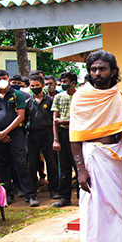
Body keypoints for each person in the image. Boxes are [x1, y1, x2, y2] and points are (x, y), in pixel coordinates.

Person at [69, 50, 122, 242]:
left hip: (115, 157)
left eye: (102, 68)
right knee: (94, 212)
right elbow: (74, 136)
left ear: (113, 71)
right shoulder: (81, 97)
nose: (97, 73)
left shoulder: (118, 97)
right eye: (93, 69)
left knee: (116, 209)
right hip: (93, 157)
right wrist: (80, 169)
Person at [0, 70, 38, 206]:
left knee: (21, 163)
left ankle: (30, 194)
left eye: (4, 78)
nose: (1, 80)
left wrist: (5, 132)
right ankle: (7, 194)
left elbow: (21, 116)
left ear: (8, 79)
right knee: (1, 164)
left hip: (15, 134)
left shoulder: (17, 95)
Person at [25, 76, 60, 199]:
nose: (35, 88)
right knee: (32, 163)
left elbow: (55, 120)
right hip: (32, 134)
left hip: (47, 133)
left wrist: (56, 138)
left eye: (37, 85)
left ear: (42, 86)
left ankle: (53, 188)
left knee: (51, 161)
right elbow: (24, 119)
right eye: (32, 86)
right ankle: (32, 192)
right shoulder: (28, 102)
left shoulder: (50, 101)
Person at [51, 71, 78, 208]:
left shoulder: (80, 97)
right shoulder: (58, 97)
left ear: (73, 83)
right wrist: (56, 139)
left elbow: (80, 118)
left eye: (65, 82)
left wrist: (64, 121)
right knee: (63, 166)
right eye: (61, 82)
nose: (62, 84)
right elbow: (55, 120)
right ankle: (64, 196)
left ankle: (82, 195)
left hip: (77, 134)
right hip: (62, 134)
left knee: (79, 165)